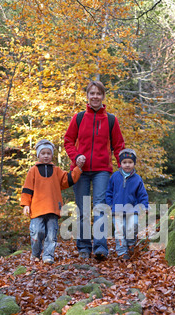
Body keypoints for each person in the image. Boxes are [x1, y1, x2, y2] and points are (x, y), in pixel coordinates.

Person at [64, 80, 125, 260]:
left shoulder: (111, 120)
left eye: (98, 93)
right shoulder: (79, 117)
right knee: (82, 209)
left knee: (100, 207)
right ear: (87, 96)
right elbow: (68, 141)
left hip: (102, 170)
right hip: (80, 170)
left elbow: (119, 146)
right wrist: (76, 157)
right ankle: (83, 247)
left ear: (103, 96)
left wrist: (123, 169)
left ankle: (100, 248)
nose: (95, 97)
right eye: (92, 93)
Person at [20, 139, 84, 264]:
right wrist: (26, 204)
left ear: (52, 155)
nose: (46, 156)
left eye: (48, 153)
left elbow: (67, 180)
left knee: (51, 234)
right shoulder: (33, 170)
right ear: (38, 155)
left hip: (53, 208)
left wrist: (78, 168)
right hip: (37, 208)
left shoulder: (56, 170)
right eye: (43, 153)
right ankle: (36, 254)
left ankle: (48, 255)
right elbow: (27, 188)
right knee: (37, 232)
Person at [105, 148, 149, 260]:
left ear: (134, 163)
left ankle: (130, 244)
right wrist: (109, 205)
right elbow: (109, 192)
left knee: (132, 227)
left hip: (132, 210)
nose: (127, 165)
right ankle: (122, 252)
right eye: (124, 162)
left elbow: (142, 195)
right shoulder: (115, 176)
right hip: (117, 210)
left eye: (130, 162)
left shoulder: (137, 179)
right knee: (119, 231)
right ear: (120, 163)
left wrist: (144, 206)